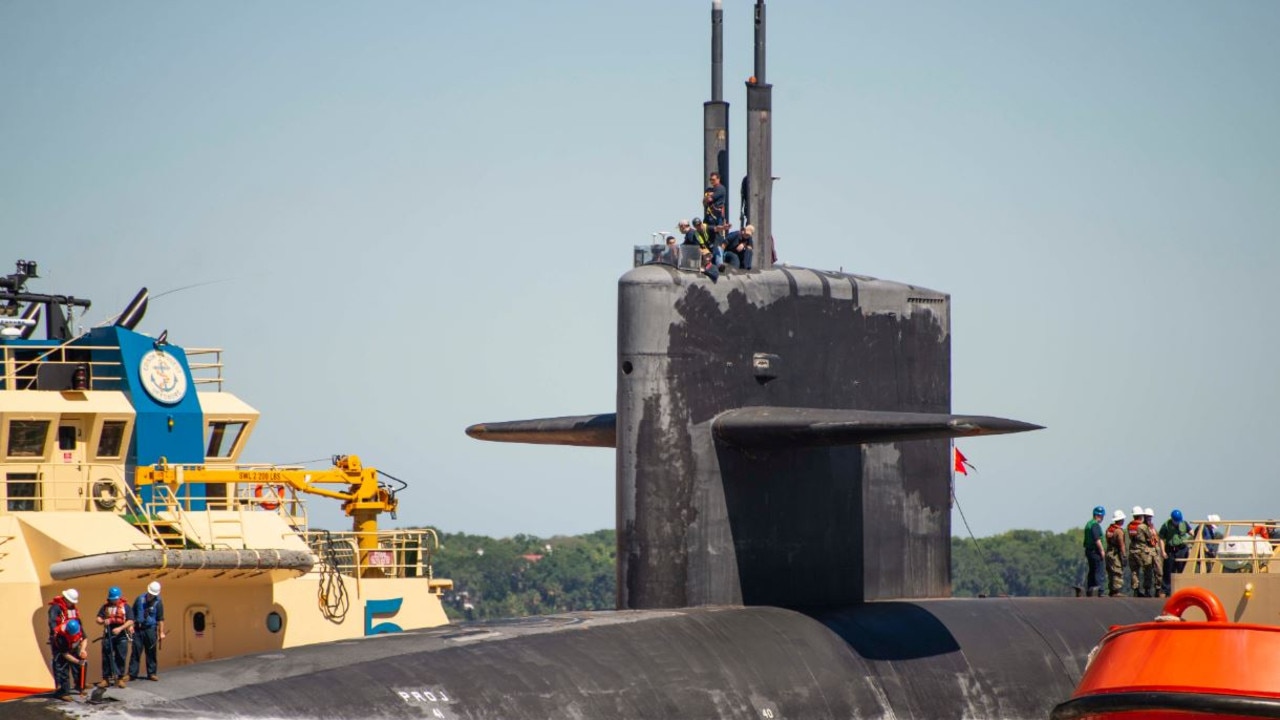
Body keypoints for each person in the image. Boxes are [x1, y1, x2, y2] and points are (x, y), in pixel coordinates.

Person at [94, 586, 133, 689]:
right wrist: (102, 621)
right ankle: (106, 679)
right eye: (112, 599)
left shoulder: (126, 607)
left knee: (121, 656)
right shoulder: (105, 607)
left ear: (119, 598)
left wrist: (120, 628)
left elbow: (130, 620)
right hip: (108, 635)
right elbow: (98, 618)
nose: (113, 600)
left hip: (121, 635)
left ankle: (120, 678)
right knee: (106, 656)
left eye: (115, 599)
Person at [129, 581, 166, 681]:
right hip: (138, 629)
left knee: (151, 652)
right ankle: (132, 674)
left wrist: (161, 632)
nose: (151, 596)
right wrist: (131, 626)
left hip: (150, 630)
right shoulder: (139, 599)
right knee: (136, 651)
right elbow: (132, 614)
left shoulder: (158, 602)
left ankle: (152, 673)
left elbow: (160, 619)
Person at [51, 617, 87, 701]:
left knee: (81, 667)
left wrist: (82, 650)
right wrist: (78, 661)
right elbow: (66, 654)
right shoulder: (61, 636)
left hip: (73, 648)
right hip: (62, 652)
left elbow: (84, 638)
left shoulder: (78, 626)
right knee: (63, 671)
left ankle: (80, 687)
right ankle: (63, 692)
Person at [1159, 509, 1193, 595]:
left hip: (1182, 549)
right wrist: (1163, 551)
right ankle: (1166, 590)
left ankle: (1182, 590)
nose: (1177, 522)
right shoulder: (1166, 525)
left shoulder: (1184, 524)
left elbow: (1192, 532)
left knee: (1182, 570)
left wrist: (1193, 543)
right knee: (1168, 570)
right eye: (1176, 521)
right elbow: (1161, 538)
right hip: (1170, 550)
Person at [1082, 506, 1105, 597]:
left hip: (1089, 551)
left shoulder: (1089, 524)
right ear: (1099, 515)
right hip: (1095, 551)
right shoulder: (1095, 525)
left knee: (1092, 571)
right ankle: (1100, 591)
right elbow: (1096, 539)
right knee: (1098, 571)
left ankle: (1090, 589)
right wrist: (1102, 551)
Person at [1104, 509, 1128, 596]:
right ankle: (1116, 591)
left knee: (1111, 571)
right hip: (1115, 554)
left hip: (1109, 552)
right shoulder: (1119, 531)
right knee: (1117, 571)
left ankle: (1111, 589)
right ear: (1120, 520)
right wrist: (1124, 556)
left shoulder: (1109, 529)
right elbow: (1121, 544)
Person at [704, 171, 728, 237]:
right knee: (706, 231)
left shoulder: (720, 188)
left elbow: (709, 199)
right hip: (709, 214)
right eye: (710, 180)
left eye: (713, 180)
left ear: (718, 179)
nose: (712, 181)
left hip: (717, 215)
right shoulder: (710, 189)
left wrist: (708, 196)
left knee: (717, 234)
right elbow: (704, 202)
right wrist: (708, 196)